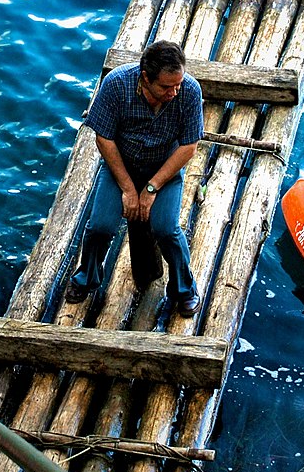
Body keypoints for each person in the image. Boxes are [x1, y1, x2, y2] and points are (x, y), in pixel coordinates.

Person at [65, 40, 204, 317]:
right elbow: (104, 138)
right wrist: (128, 188)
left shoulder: (188, 91)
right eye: (166, 87)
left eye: (177, 84)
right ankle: (87, 278)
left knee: (167, 230)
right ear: (145, 78)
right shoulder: (117, 84)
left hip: (164, 171)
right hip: (121, 168)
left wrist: (152, 188)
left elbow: (189, 147)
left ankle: (184, 289)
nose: (174, 92)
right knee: (100, 227)